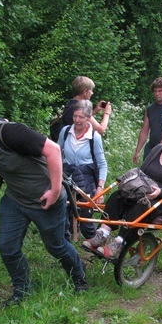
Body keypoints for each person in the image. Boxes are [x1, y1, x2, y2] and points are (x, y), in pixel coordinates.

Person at [0, 108, 88, 307]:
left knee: (56, 246)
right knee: (6, 246)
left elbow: (53, 150)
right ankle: (22, 290)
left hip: (45, 200)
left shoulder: (12, 133)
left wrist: (55, 191)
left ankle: (79, 276)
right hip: (16, 199)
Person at [82, 117, 162, 258]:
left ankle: (120, 242)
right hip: (145, 190)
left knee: (141, 204)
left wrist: (161, 191)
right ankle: (102, 233)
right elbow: (141, 171)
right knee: (119, 195)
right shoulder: (158, 149)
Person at [57, 100, 108, 242]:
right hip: (67, 174)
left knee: (86, 214)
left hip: (86, 177)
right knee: (63, 209)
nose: (77, 120)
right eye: (75, 116)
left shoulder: (94, 137)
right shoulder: (65, 131)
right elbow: (56, 151)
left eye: (81, 117)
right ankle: (65, 242)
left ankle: (93, 242)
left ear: (88, 118)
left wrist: (99, 188)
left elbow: (102, 164)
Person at [133, 77, 162, 164]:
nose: (157, 94)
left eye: (160, 91)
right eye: (155, 91)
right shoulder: (150, 109)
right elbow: (144, 131)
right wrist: (138, 151)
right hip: (151, 147)